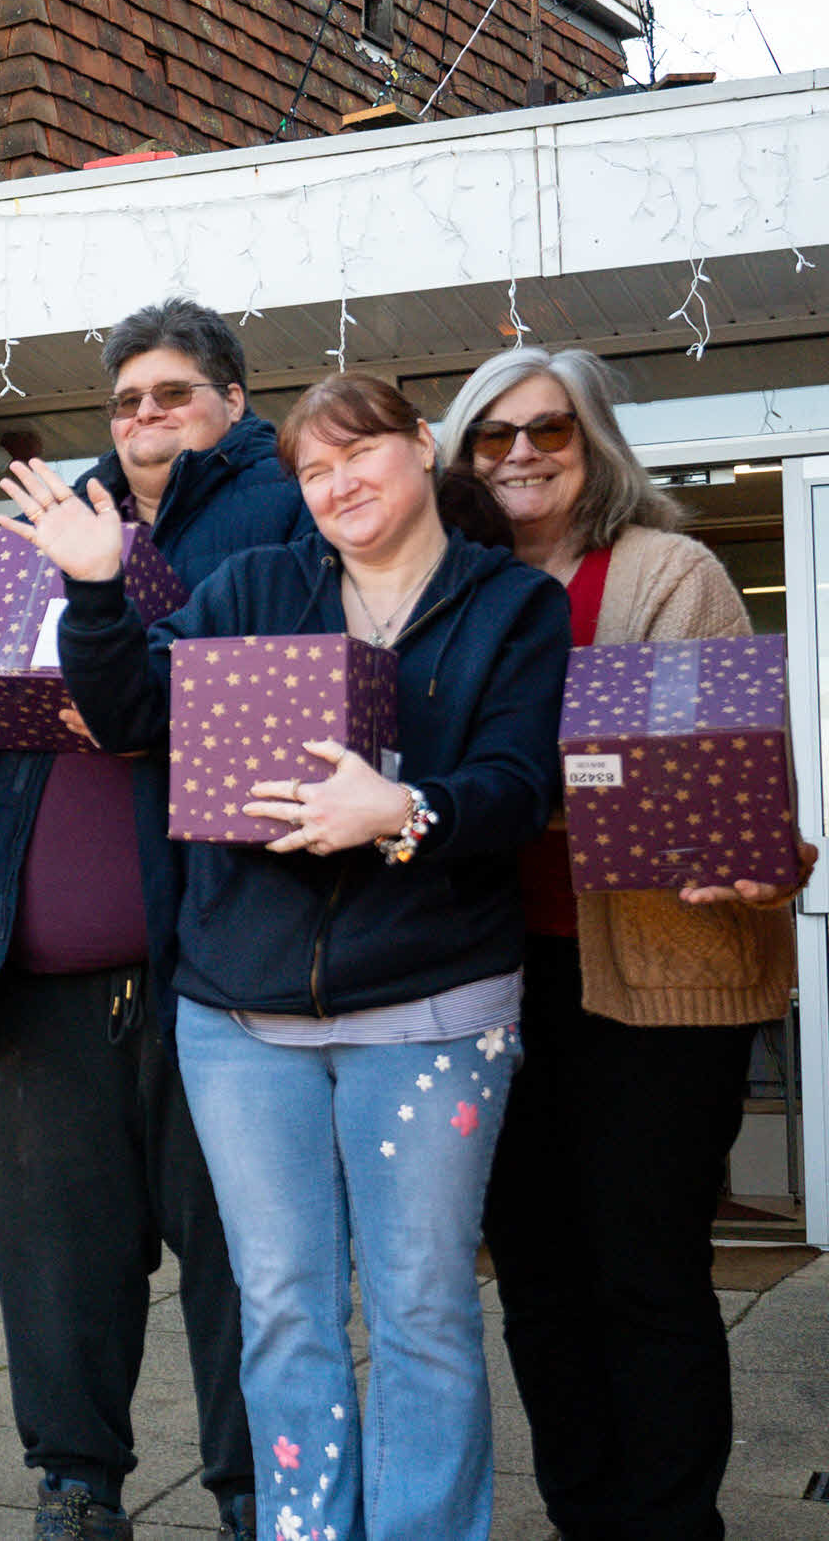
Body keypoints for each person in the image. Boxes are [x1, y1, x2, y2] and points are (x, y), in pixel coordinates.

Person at [14, 373, 566, 1541]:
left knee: (422, 1311)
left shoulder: (512, 604)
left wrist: (403, 811)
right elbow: (133, 718)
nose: (337, 485)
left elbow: (519, 791)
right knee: (282, 1309)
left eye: (358, 455)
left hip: (434, 1011)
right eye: (313, 471)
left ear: (424, 447)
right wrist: (99, 589)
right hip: (240, 1017)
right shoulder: (257, 585)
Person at [0, 300, 304, 1541]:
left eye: (171, 395)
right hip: (44, 972)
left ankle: (252, 1491)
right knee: (58, 1266)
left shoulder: (275, 514)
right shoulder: (47, 528)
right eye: (125, 402)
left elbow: (225, 689)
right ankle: (75, 1484)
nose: (144, 419)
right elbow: (0, 744)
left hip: (212, 966)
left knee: (236, 1258)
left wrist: (112, 585)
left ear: (230, 401)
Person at [445, 347, 814, 1541]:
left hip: (659, 977)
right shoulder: (449, 583)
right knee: (538, 1277)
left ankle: (669, 1524)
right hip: (496, 978)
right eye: (490, 436)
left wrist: (515, 783)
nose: (518, 454)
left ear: (593, 441)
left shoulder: (669, 572)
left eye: (546, 429)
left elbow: (720, 778)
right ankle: (586, 1512)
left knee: (645, 1272)